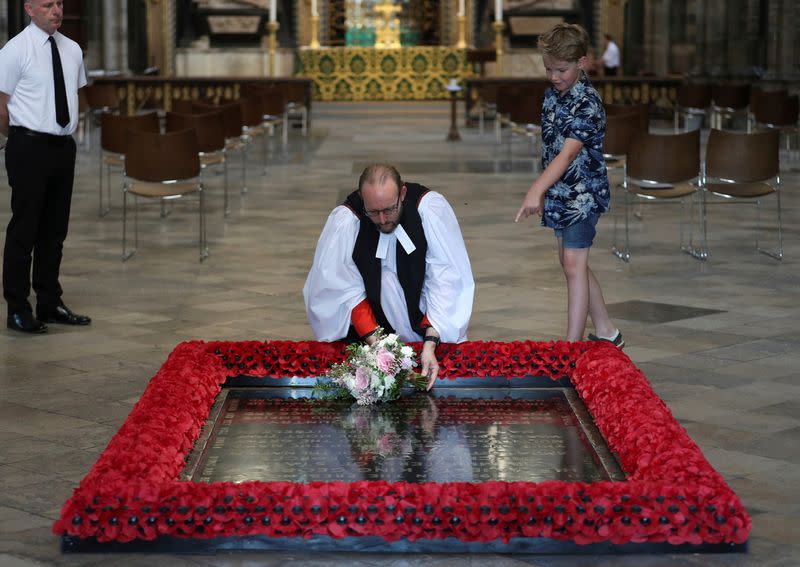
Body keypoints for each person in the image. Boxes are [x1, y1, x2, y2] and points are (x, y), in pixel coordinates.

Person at [303, 164, 474, 389]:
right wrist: (380, 350)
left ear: (402, 194)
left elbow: (446, 280)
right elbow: (344, 291)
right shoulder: (347, 220)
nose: (382, 220)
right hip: (370, 333)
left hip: (427, 324)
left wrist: (431, 343)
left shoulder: (428, 209)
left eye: (389, 210)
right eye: (373, 212)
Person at [515, 23, 623, 348]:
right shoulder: (552, 95)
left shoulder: (587, 104)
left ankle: (571, 349)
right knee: (571, 261)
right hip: (561, 194)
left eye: (561, 69)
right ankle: (606, 330)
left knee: (574, 265)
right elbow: (548, 151)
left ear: (582, 63)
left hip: (583, 196)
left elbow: (565, 156)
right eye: (548, 69)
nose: (554, 76)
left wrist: (536, 189)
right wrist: (547, 190)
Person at [0, 0, 91, 334]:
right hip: (28, 145)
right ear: (29, 9)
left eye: (59, 3)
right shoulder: (14, 50)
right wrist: (20, 137)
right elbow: (1, 103)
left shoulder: (71, 50)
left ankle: (49, 301)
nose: (56, 10)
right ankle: (18, 308)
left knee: (55, 230)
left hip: (62, 147)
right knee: (25, 229)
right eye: (47, 4)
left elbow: (70, 93)